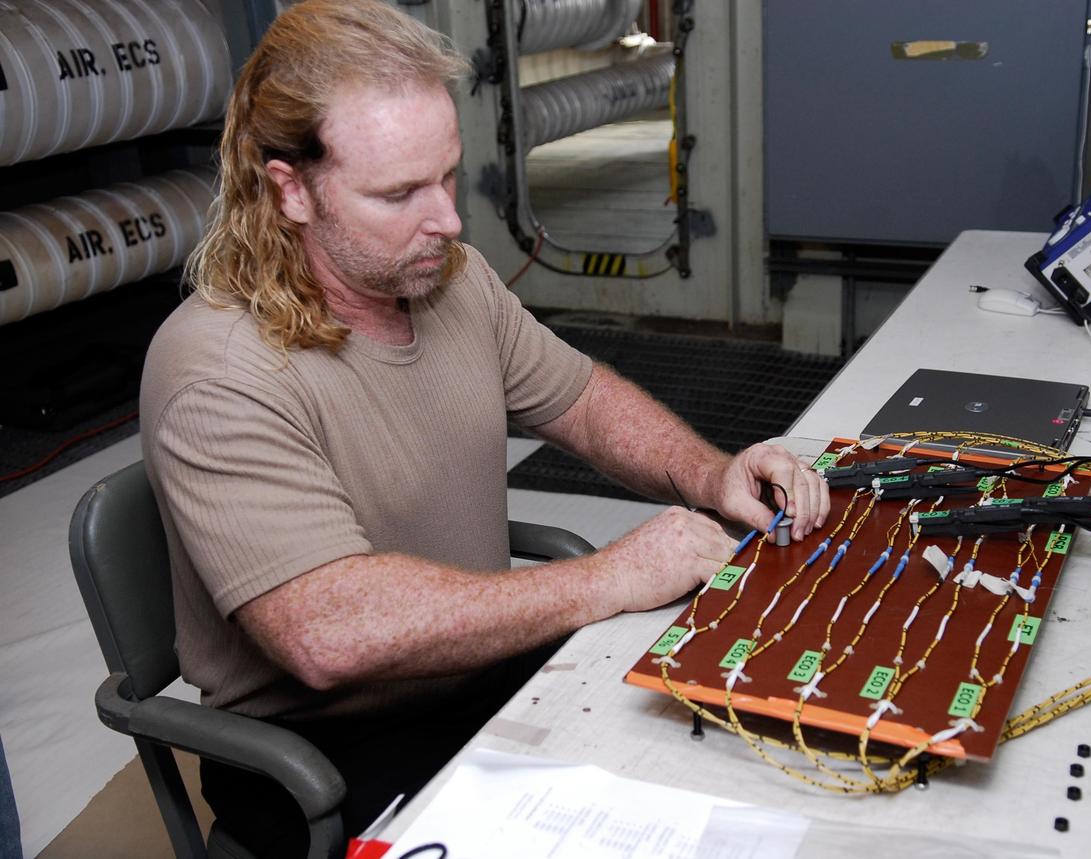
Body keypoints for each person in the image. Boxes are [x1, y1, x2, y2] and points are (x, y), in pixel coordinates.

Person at [139, 0, 829, 853]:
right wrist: (604, 578)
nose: (451, 221)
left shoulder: (446, 279)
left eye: (448, 176)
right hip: (331, 756)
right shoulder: (218, 371)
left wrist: (711, 474)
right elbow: (328, 632)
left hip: (489, 676)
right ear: (291, 190)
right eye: (399, 193)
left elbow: (581, 398)